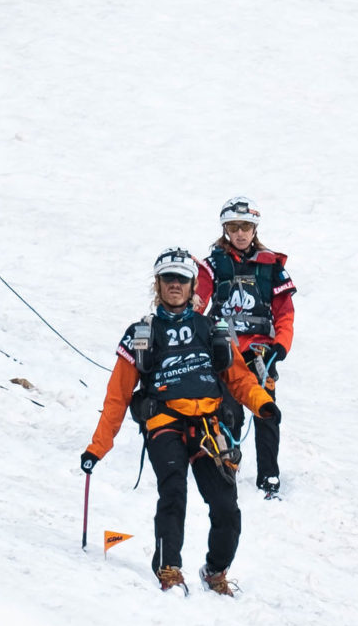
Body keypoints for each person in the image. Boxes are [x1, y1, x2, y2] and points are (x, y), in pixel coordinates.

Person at [81, 247, 275, 595]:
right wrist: (98, 448)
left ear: (192, 285)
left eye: (182, 280)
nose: (175, 285)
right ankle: (168, 567)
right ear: (157, 284)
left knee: (226, 506)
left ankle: (216, 571)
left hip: (208, 428)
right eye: (168, 279)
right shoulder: (141, 333)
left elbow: (239, 379)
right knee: (173, 492)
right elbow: (118, 395)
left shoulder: (211, 328)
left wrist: (262, 405)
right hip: (164, 423)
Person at [200, 197, 296, 498]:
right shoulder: (212, 266)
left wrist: (281, 346)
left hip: (261, 352)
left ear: (255, 229)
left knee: (266, 411)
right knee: (228, 411)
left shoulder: (272, 267)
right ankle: (227, 465)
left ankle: (269, 475)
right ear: (225, 230)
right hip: (224, 348)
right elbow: (198, 303)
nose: (240, 233)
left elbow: (285, 311)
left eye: (246, 227)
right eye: (233, 227)